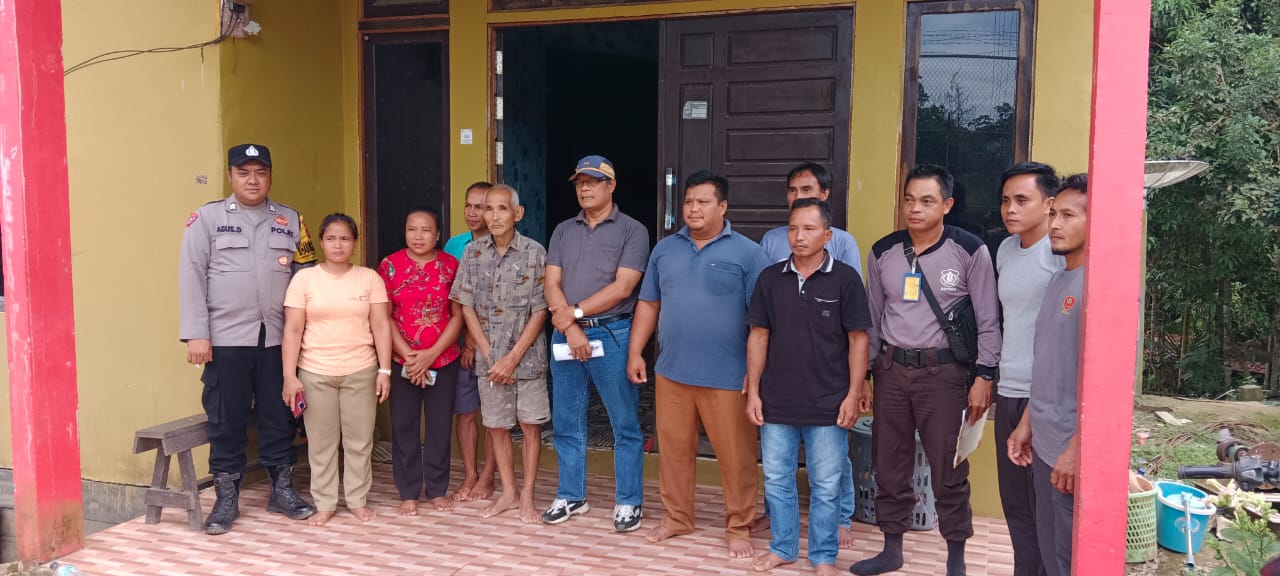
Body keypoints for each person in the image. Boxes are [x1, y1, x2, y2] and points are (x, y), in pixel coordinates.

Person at [852, 165, 1001, 576]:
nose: (915, 209)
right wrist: (865, 376)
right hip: (892, 372)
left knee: (948, 468)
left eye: (927, 201)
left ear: (947, 205)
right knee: (889, 464)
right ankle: (891, 549)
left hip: (944, 376)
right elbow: (872, 321)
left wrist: (985, 376)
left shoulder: (969, 250)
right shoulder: (883, 251)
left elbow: (988, 320)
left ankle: (956, 557)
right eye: (909, 200)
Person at [627, 171, 769, 557]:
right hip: (672, 371)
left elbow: (762, 322)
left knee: (736, 457)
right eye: (689, 201)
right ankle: (677, 517)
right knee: (673, 451)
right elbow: (649, 304)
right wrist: (636, 352)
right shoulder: (665, 250)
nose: (693, 209)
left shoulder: (749, 253)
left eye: (703, 202)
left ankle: (738, 525)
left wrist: (755, 375)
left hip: (728, 376)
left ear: (723, 207)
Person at [178, 143, 317, 535]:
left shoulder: (291, 220)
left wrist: (309, 335)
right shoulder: (206, 219)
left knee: (280, 415)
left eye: (260, 172)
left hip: (277, 339)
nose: (252, 180)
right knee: (227, 418)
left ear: (270, 176)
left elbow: (307, 276)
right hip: (225, 339)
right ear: (230, 176)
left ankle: (282, 490)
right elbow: (191, 275)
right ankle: (226, 499)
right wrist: (196, 334)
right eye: (243, 173)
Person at [746, 199, 872, 576]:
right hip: (777, 400)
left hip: (829, 402)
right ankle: (782, 548)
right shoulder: (770, 279)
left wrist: (853, 393)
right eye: (793, 228)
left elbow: (858, 340)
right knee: (777, 480)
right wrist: (754, 391)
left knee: (827, 484)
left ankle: (823, 557)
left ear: (828, 235)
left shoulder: (845, 279)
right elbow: (758, 335)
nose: (798, 236)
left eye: (809, 229)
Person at [542, 155, 650, 533]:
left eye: (593, 182)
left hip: (612, 333)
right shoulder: (563, 231)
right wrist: (571, 326)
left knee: (624, 422)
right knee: (566, 419)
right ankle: (572, 494)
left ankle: (629, 500)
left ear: (611, 186)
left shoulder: (632, 230)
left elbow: (624, 287)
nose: (585, 188)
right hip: (566, 334)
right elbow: (551, 282)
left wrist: (573, 314)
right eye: (580, 183)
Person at [281, 213, 392, 526]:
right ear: (321, 242)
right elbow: (292, 330)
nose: (338, 244)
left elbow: (381, 325)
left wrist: (384, 371)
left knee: (359, 441)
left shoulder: (369, 279)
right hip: (315, 372)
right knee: (321, 443)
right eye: (331, 238)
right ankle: (325, 503)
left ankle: (357, 500)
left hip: (361, 369)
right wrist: (289, 376)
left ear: (354, 242)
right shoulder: (304, 280)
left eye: (345, 238)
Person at [450, 184, 550, 523]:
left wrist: (512, 357)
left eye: (501, 209)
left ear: (517, 213)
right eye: (488, 209)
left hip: (528, 359)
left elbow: (541, 310)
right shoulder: (472, 253)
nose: (493, 216)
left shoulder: (535, 252)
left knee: (530, 426)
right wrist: (490, 353)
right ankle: (508, 492)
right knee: (496, 426)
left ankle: (527, 495)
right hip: (490, 361)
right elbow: (465, 305)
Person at [1008, 173, 1088, 576]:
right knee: (1046, 544)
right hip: (1044, 443)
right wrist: (1027, 423)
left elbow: (1107, 389)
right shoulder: (1059, 279)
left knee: (1066, 558)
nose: (1055, 224)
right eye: (1054, 214)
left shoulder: (1100, 287)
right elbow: (1048, 363)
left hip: (1069, 453)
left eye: (1068, 216)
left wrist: (1076, 450)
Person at [994, 162, 1064, 576]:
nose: (1011, 209)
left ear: (1049, 203)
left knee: (1044, 509)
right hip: (1009, 388)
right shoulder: (1005, 250)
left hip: (1043, 396)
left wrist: (1036, 406)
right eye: (1006, 200)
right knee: (1016, 505)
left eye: (1022, 200)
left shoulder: (1058, 254)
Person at [378, 207, 465, 516]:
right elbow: (385, 317)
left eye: (426, 230)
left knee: (440, 426)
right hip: (403, 360)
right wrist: (409, 356)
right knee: (404, 425)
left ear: (438, 235)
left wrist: (430, 355)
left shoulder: (451, 266)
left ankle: (437, 489)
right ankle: (408, 491)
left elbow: (457, 317)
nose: (418, 236)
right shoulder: (389, 265)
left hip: (443, 359)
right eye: (412, 229)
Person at [442, 181, 499, 502]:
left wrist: (475, 343)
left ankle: (488, 475)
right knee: (464, 413)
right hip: (460, 344)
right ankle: (470, 474)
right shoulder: (455, 244)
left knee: (493, 415)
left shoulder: (505, 245)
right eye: (469, 205)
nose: (473, 212)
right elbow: (455, 297)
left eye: (481, 206)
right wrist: (464, 342)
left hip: (493, 343)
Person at [757, 162, 861, 274]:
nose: (798, 197)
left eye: (806, 189)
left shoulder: (843, 242)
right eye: (792, 190)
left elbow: (851, 283)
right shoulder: (771, 239)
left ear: (824, 194)